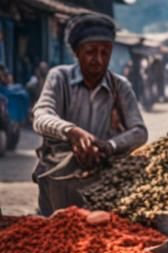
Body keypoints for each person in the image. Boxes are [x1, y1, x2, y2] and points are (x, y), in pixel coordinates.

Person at [31, 13, 147, 215]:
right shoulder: (59, 77)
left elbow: (139, 131)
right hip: (60, 178)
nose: (99, 59)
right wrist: (71, 132)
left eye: (105, 52)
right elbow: (41, 115)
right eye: (91, 52)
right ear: (76, 52)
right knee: (56, 233)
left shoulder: (120, 86)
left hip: (103, 179)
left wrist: (109, 145)